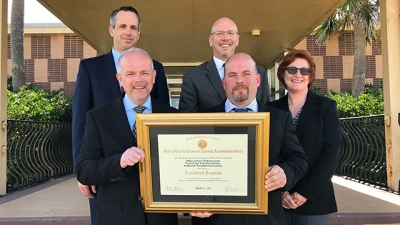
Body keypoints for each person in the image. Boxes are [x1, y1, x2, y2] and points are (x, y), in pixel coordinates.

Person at [72, 6, 169, 224]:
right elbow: (80, 121)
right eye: (122, 26)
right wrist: (82, 172)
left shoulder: (157, 68)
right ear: (111, 30)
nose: (128, 31)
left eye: (133, 27)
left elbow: (162, 112)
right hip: (108, 178)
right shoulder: (90, 68)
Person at [191, 53, 308, 225]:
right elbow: (191, 166)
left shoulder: (279, 119)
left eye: (246, 74)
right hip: (216, 219)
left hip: (266, 218)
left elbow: (299, 159)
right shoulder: (202, 119)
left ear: (258, 80)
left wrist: (285, 172)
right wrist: (194, 201)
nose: (240, 80)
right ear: (224, 83)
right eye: (232, 75)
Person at [268, 48, 341, 225]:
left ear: (310, 75)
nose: (297, 75)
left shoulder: (326, 107)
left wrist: (304, 193)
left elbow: (331, 154)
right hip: (277, 200)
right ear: (283, 74)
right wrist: (282, 191)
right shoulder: (271, 109)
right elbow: (268, 154)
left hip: (314, 199)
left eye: (304, 70)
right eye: (291, 69)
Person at [179, 17, 270, 112]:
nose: (225, 38)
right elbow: (188, 121)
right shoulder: (193, 77)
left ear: (237, 39)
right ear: (211, 40)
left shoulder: (259, 72)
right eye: (219, 33)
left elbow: (266, 112)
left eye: (231, 33)